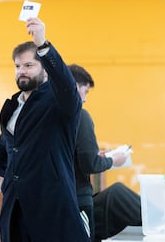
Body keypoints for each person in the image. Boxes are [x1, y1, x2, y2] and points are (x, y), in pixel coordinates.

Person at [0, 18, 89, 242]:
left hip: (50, 208)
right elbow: (3, 147)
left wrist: (43, 44)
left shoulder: (58, 102)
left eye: (29, 65)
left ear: (45, 70)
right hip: (15, 211)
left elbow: (66, 85)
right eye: (17, 66)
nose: (21, 71)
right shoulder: (13, 107)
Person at [68, 64, 128, 241]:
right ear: (74, 86)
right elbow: (89, 164)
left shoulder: (48, 116)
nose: (85, 99)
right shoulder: (80, 116)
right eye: (85, 92)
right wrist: (113, 161)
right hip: (77, 199)